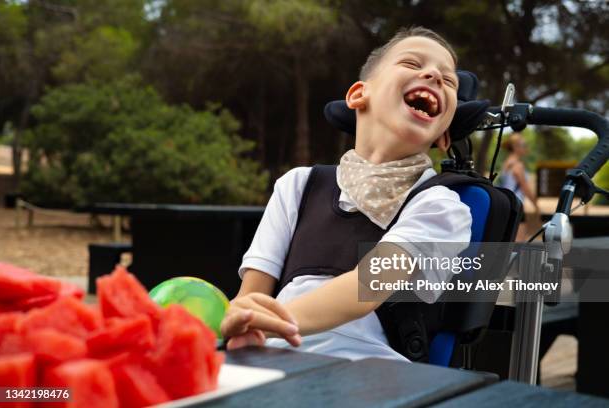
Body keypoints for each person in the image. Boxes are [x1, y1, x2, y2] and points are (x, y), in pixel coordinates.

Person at [220, 26, 472, 361]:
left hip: (370, 369)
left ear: (444, 136)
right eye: (412, 64)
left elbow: (367, 286)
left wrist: (268, 323)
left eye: (449, 80)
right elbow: (251, 296)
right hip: (273, 354)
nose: (433, 76)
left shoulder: (440, 206)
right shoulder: (298, 186)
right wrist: (242, 319)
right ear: (358, 95)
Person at [498, 133, 540, 241]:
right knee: (519, 241)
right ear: (516, 147)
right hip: (516, 206)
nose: (526, 147)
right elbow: (525, 188)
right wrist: (536, 205)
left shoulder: (506, 163)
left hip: (507, 205)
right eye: (524, 144)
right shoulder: (518, 165)